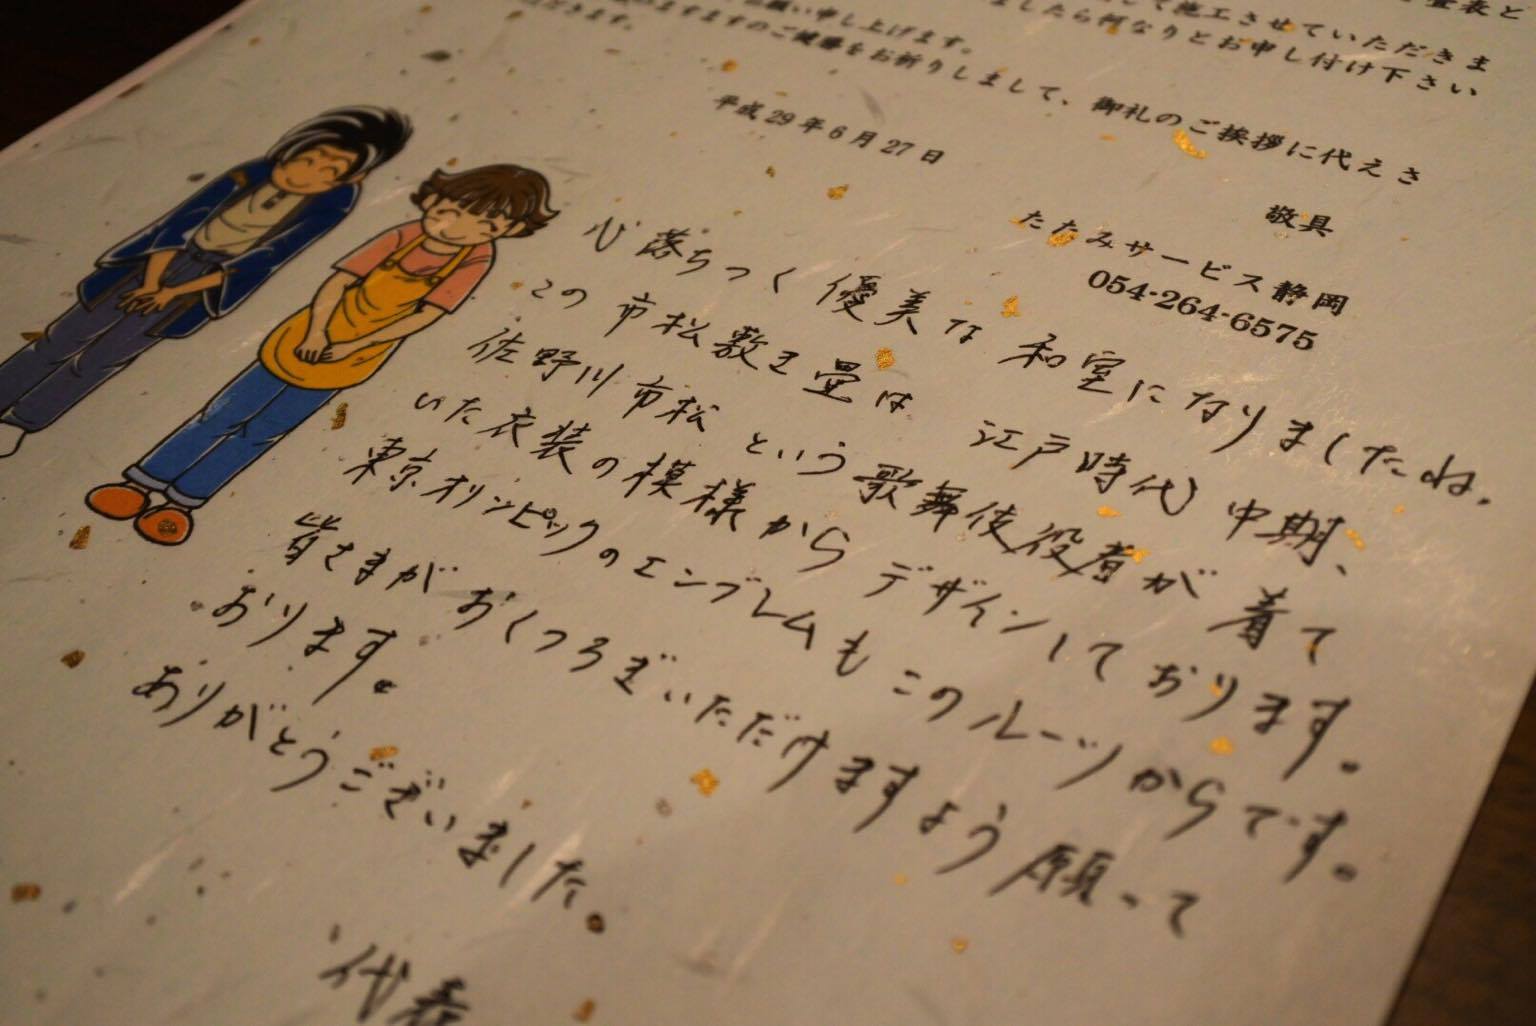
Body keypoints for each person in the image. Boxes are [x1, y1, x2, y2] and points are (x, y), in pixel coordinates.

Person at [84, 163, 559, 546]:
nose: (464, 229)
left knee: (263, 432)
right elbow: (337, 282)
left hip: (356, 354)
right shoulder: (400, 236)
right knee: (223, 413)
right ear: (433, 200)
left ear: (511, 230)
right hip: (306, 335)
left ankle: (184, 501)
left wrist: (354, 345)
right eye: (454, 212)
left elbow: (426, 314)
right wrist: (318, 330)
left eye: (488, 225)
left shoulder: (476, 258)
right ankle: (142, 483)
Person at [0, 106, 412, 457]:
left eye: (329, 172)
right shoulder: (249, 174)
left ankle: (22, 422)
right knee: (63, 337)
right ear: (292, 150)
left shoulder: (329, 207)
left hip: (204, 283)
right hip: (156, 262)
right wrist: (154, 281)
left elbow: (267, 258)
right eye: (310, 159)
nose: (310, 174)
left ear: (343, 182)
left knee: (103, 358)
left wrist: (171, 292)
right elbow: (179, 222)